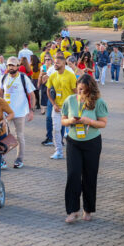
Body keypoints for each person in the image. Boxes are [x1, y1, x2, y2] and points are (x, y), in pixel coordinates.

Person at [60, 75, 108, 223]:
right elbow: (63, 120)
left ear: (90, 90)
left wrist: (89, 121)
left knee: (89, 176)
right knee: (73, 175)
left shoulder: (98, 102)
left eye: (84, 90)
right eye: (79, 89)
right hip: (74, 142)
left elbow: (103, 123)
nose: (80, 92)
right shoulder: (69, 100)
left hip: (92, 143)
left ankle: (88, 209)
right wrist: (70, 121)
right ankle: (72, 210)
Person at [0, 56, 36, 168]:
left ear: (18, 66)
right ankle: (2, 159)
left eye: (13, 65)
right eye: (9, 65)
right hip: (6, 113)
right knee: (2, 136)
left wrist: (31, 111)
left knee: (19, 136)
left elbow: (32, 96)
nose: (11, 67)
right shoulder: (4, 77)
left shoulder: (23, 78)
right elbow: (0, 94)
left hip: (20, 112)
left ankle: (19, 159)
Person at [47, 53, 77, 160]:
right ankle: (58, 151)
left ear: (64, 63)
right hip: (57, 108)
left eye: (57, 63)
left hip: (69, 109)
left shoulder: (70, 75)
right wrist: (53, 104)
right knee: (56, 129)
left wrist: (75, 106)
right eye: (54, 63)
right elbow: (48, 91)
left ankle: (73, 151)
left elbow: (76, 92)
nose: (55, 64)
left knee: (71, 131)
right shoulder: (53, 75)